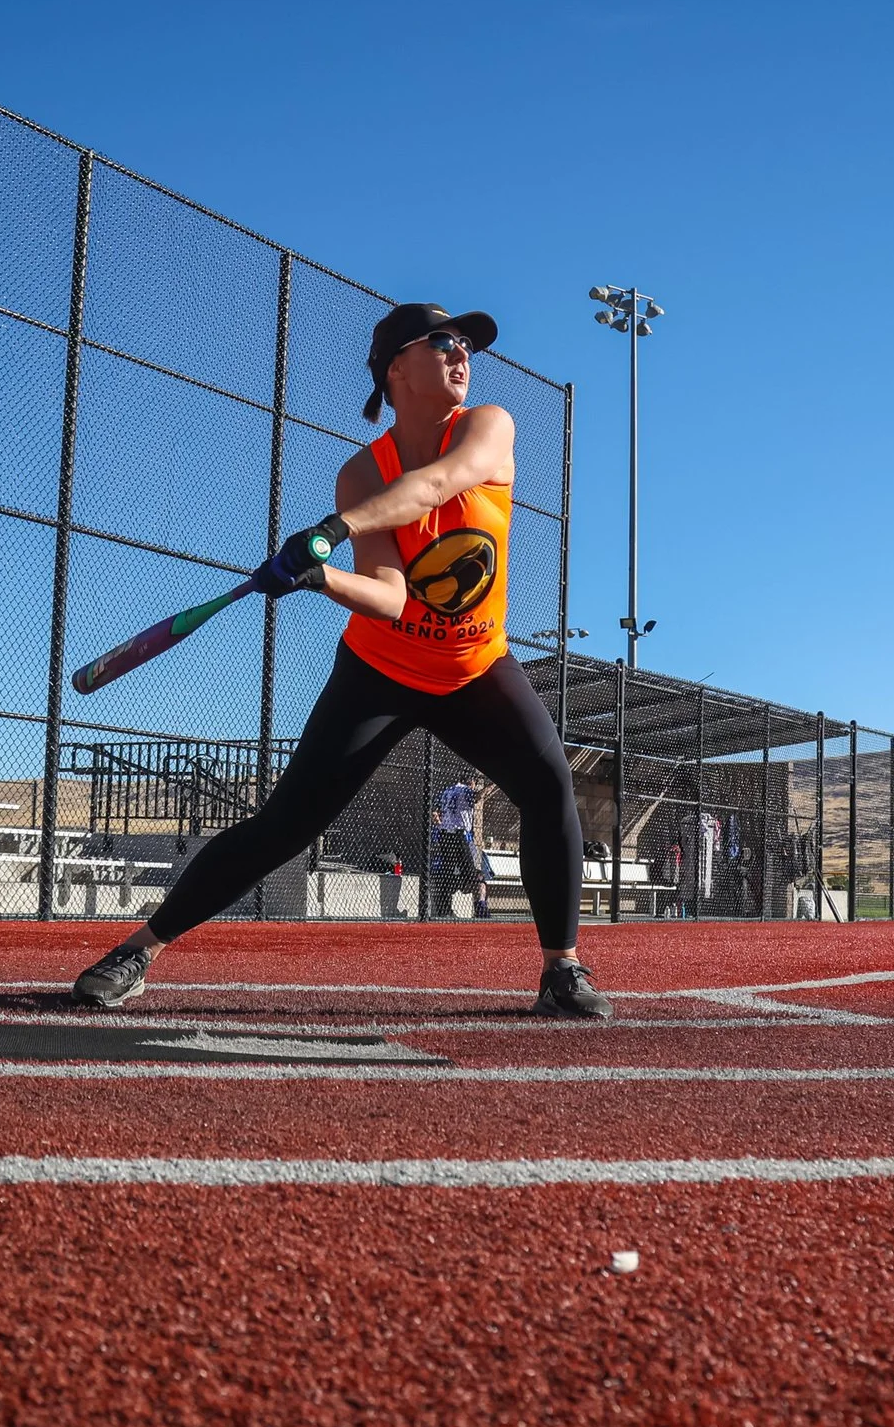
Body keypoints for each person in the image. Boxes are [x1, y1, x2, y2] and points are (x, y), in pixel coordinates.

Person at [73, 303, 608, 1019]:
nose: (462, 353)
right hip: (380, 671)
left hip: (474, 666)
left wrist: (334, 530)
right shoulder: (361, 472)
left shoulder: (487, 426)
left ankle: (561, 969)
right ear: (396, 369)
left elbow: (437, 484)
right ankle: (139, 949)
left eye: (467, 344)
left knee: (548, 784)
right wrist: (319, 575)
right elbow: (389, 597)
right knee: (286, 824)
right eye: (443, 341)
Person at [432, 775, 489, 918]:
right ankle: (480, 909)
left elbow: (435, 813)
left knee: (447, 872)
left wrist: (441, 825)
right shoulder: (465, 790)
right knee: (473, 875)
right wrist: (489, 787)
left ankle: (444, 910)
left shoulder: (447, 790)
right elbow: (476, 797)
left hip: (445, 834)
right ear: (471, 782)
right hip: (459, 835)